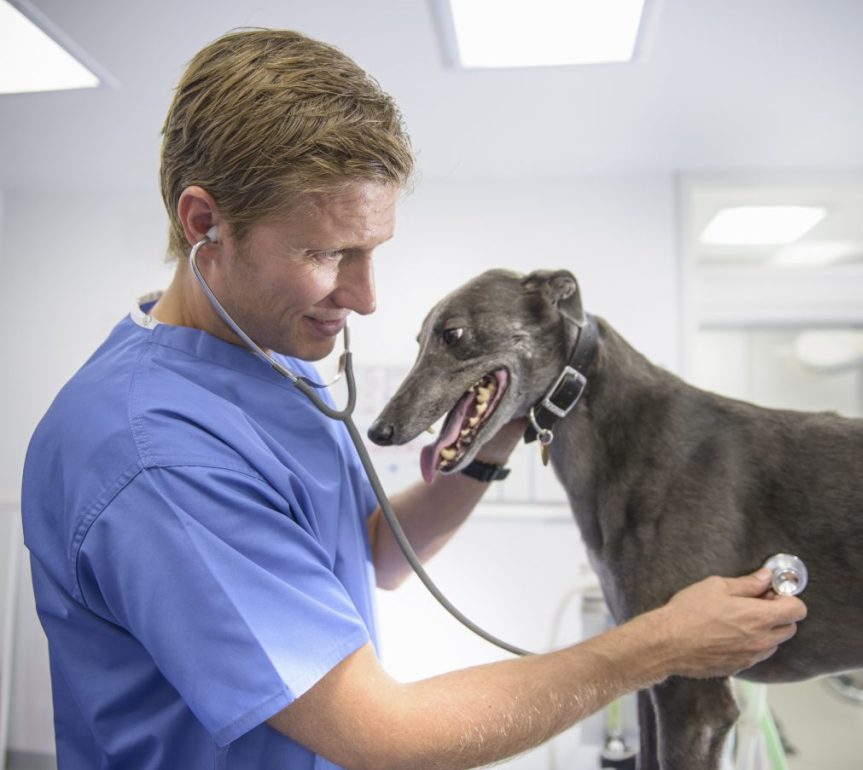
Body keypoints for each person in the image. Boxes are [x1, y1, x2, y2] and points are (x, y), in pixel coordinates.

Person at [21, 28, 807, 770]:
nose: (365, 297)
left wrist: (489, 445)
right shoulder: (153, 455)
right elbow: (381, 733)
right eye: (329, 253)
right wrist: (660, 644)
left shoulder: (268, 361)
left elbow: (368, 555)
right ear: (206, 224)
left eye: (373, 251)